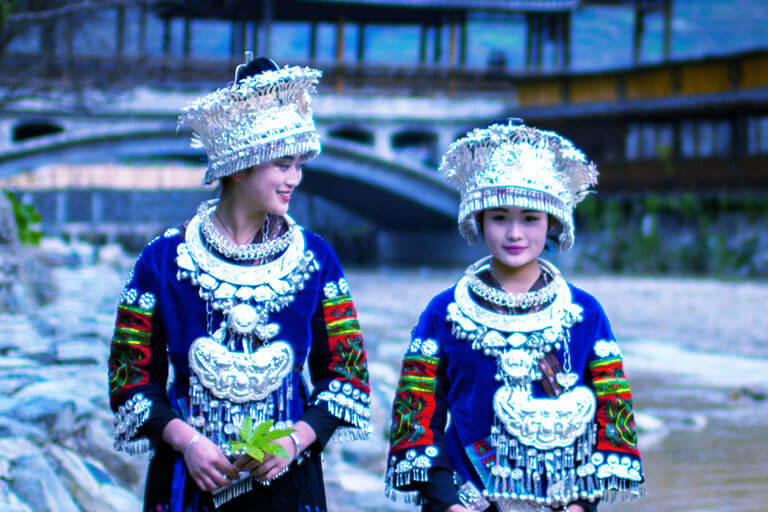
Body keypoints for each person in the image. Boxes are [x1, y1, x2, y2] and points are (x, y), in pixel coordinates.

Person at [108, 55, 371, 512]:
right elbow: (130, 379)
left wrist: (294, 440)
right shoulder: (162, 260)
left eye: (299, 165)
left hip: (288, 485)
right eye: (283, 165)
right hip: (187, 483)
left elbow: (346, 378)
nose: (296, 178)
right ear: (239, 164)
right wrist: (187, 443)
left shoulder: (316, 259)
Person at [384, 120, 644, 512]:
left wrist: (580, 505)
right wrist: (447, 503)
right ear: (480, 220)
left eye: (530, 218)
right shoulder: (444, 311)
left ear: (552, 223)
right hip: (466, 502)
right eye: (500, 217)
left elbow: (611, 413)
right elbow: (416, 418)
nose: (514, 233)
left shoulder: (585, 313)